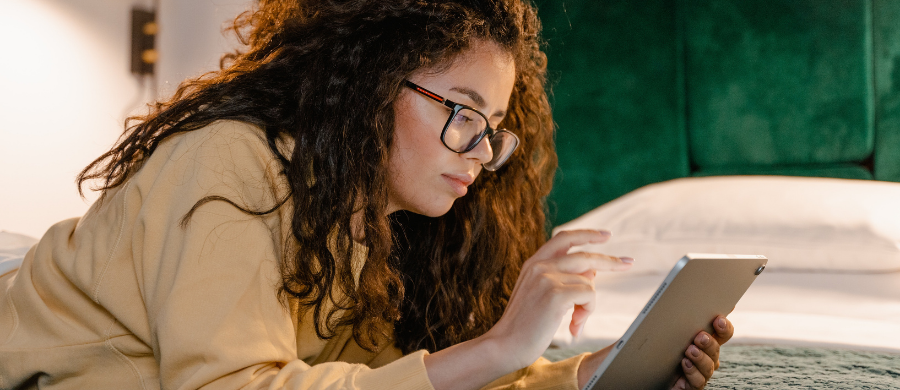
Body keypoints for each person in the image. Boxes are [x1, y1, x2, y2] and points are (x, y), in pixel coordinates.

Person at [0, 0, 734, 389]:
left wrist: (585, 374)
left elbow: (393, 387)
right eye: (462, 114)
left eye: (494, 128)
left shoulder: (368, 224)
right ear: (372, 86)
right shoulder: (227, 162)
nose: (481, 152)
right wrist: (503, 344)